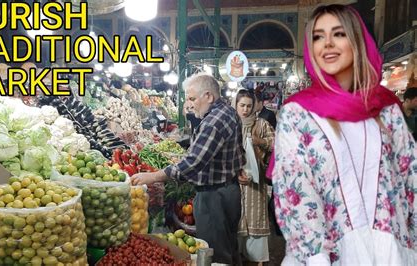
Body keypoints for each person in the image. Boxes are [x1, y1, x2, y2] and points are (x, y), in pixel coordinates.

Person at [270, 4, 417, 265]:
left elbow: (411, 180)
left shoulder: (387, 109)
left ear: (356, 40)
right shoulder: (299, 113)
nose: (327, 44)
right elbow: (296, 190)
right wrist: (317, 257)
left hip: (392, 254)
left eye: (338, 34)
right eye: (317, 36)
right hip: (326, 257)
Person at [131, 73, 246, 265]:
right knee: (229, 248)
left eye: (192, 98)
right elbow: (238, 152)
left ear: (208, 96)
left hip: (214, 196)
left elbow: (192, 163)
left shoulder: (213, 122)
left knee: (215, 254)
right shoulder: (228, 111)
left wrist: (152, 177)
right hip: (228, 190)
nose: (190, 104)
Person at [234, 89, 274, 265]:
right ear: (235, 105)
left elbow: (279, 144)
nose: (245, 109)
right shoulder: (231, 125)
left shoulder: (262, 125)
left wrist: (261, 142)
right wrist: (235, 174)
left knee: (255, 221)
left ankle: (256, 260)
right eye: (242, 105)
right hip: (235, 184)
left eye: (249, 106)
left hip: (256, 186)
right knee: (237, 222)